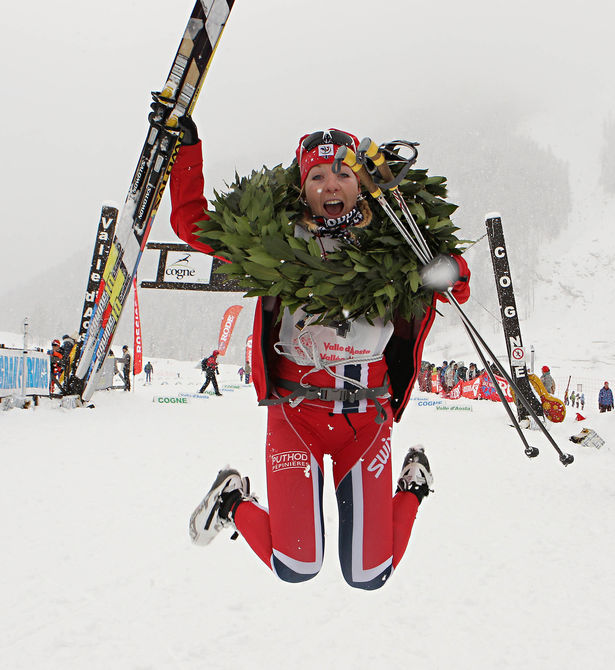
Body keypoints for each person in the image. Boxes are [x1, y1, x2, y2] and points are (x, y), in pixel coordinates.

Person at [169, 120, 470, 590]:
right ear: (303, 188)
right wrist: (186, 153)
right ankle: (231, 501)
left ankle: (412, 487)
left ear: (361, 183)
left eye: (342, 173)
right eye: (317, 177)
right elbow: (191, 225)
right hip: (297, 412)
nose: (331, 184)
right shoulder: (275, 241)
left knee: (370, 574)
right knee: (296, 566)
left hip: (367, 416)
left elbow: (459, 283)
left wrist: (448, 269)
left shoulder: (397, 239)